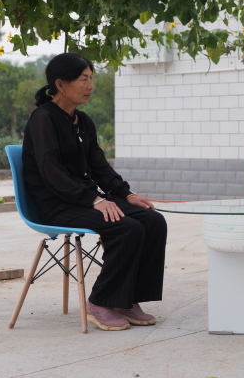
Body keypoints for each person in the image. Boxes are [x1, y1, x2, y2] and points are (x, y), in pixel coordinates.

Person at [22, 53, 167, 332]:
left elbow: (99, 166)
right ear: (61, 84)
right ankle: (100, 301)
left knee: (152, 220)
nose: (90, 85)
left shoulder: (83, 121)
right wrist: (95, 200)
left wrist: (126, 194)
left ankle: (126, 299)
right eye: (83, 79)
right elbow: (51, 171)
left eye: (91, 79)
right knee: (126, 228)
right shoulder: (43, 119)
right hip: (55, 204)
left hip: (84, 200)